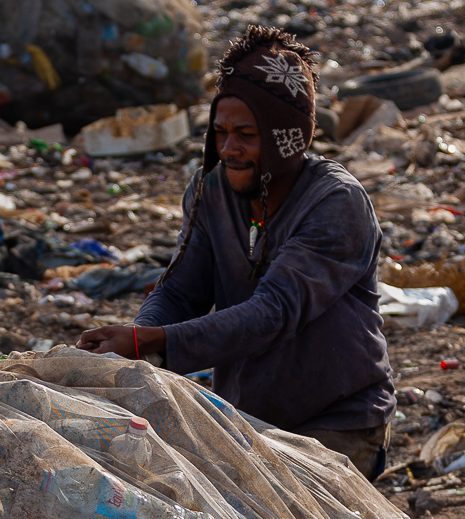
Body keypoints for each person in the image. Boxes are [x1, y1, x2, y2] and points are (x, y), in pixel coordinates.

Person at [78, 27, 396, 480]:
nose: (229, 149)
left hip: (338, 422)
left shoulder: (335, 203)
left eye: (246, 134)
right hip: (247, 419)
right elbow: (182, 289)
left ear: (285, 136)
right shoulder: (212, 191)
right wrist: (136, 341)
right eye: (221, 133)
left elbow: (272, 312)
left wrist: (156, 344)